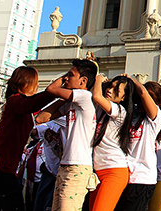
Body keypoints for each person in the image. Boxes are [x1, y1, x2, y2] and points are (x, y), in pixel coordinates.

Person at [0, 66, 54, 211]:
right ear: (26, 83)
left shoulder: (22, 106)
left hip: (5, 168)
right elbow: (35, 103)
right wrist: (53, 91)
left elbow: (44, 110)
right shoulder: (16, 102)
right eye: (35, 82)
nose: (37, 85)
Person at [37, 58, 98, 211]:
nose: (66, 78)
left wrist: (62, 88)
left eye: (70, 75)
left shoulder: (85, 97)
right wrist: (63, 98)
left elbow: (51, 88)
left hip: (78, 167)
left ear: (83, 81)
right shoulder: (72, 103)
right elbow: (41, 118)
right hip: (65, 165)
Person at [115, 80, 161, 211]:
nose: (141, 100)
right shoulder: (130, 116)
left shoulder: (156, 119)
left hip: (142, 178)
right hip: (125, 175)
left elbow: (143, 93)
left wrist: (130, 79)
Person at [89, 75, 137, 211]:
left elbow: (97, 97)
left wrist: (98, 80)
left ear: (123, 98)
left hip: (114, 171)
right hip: (98, 171)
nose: (110, 90)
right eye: (110, 86)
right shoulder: (102, 111)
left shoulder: (120, 111)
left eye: (116, 89)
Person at [33, 116, 66, 211]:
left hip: (66, 171)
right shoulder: (48, 126)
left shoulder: (70, 122)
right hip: (51, 172)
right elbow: (34, 131)